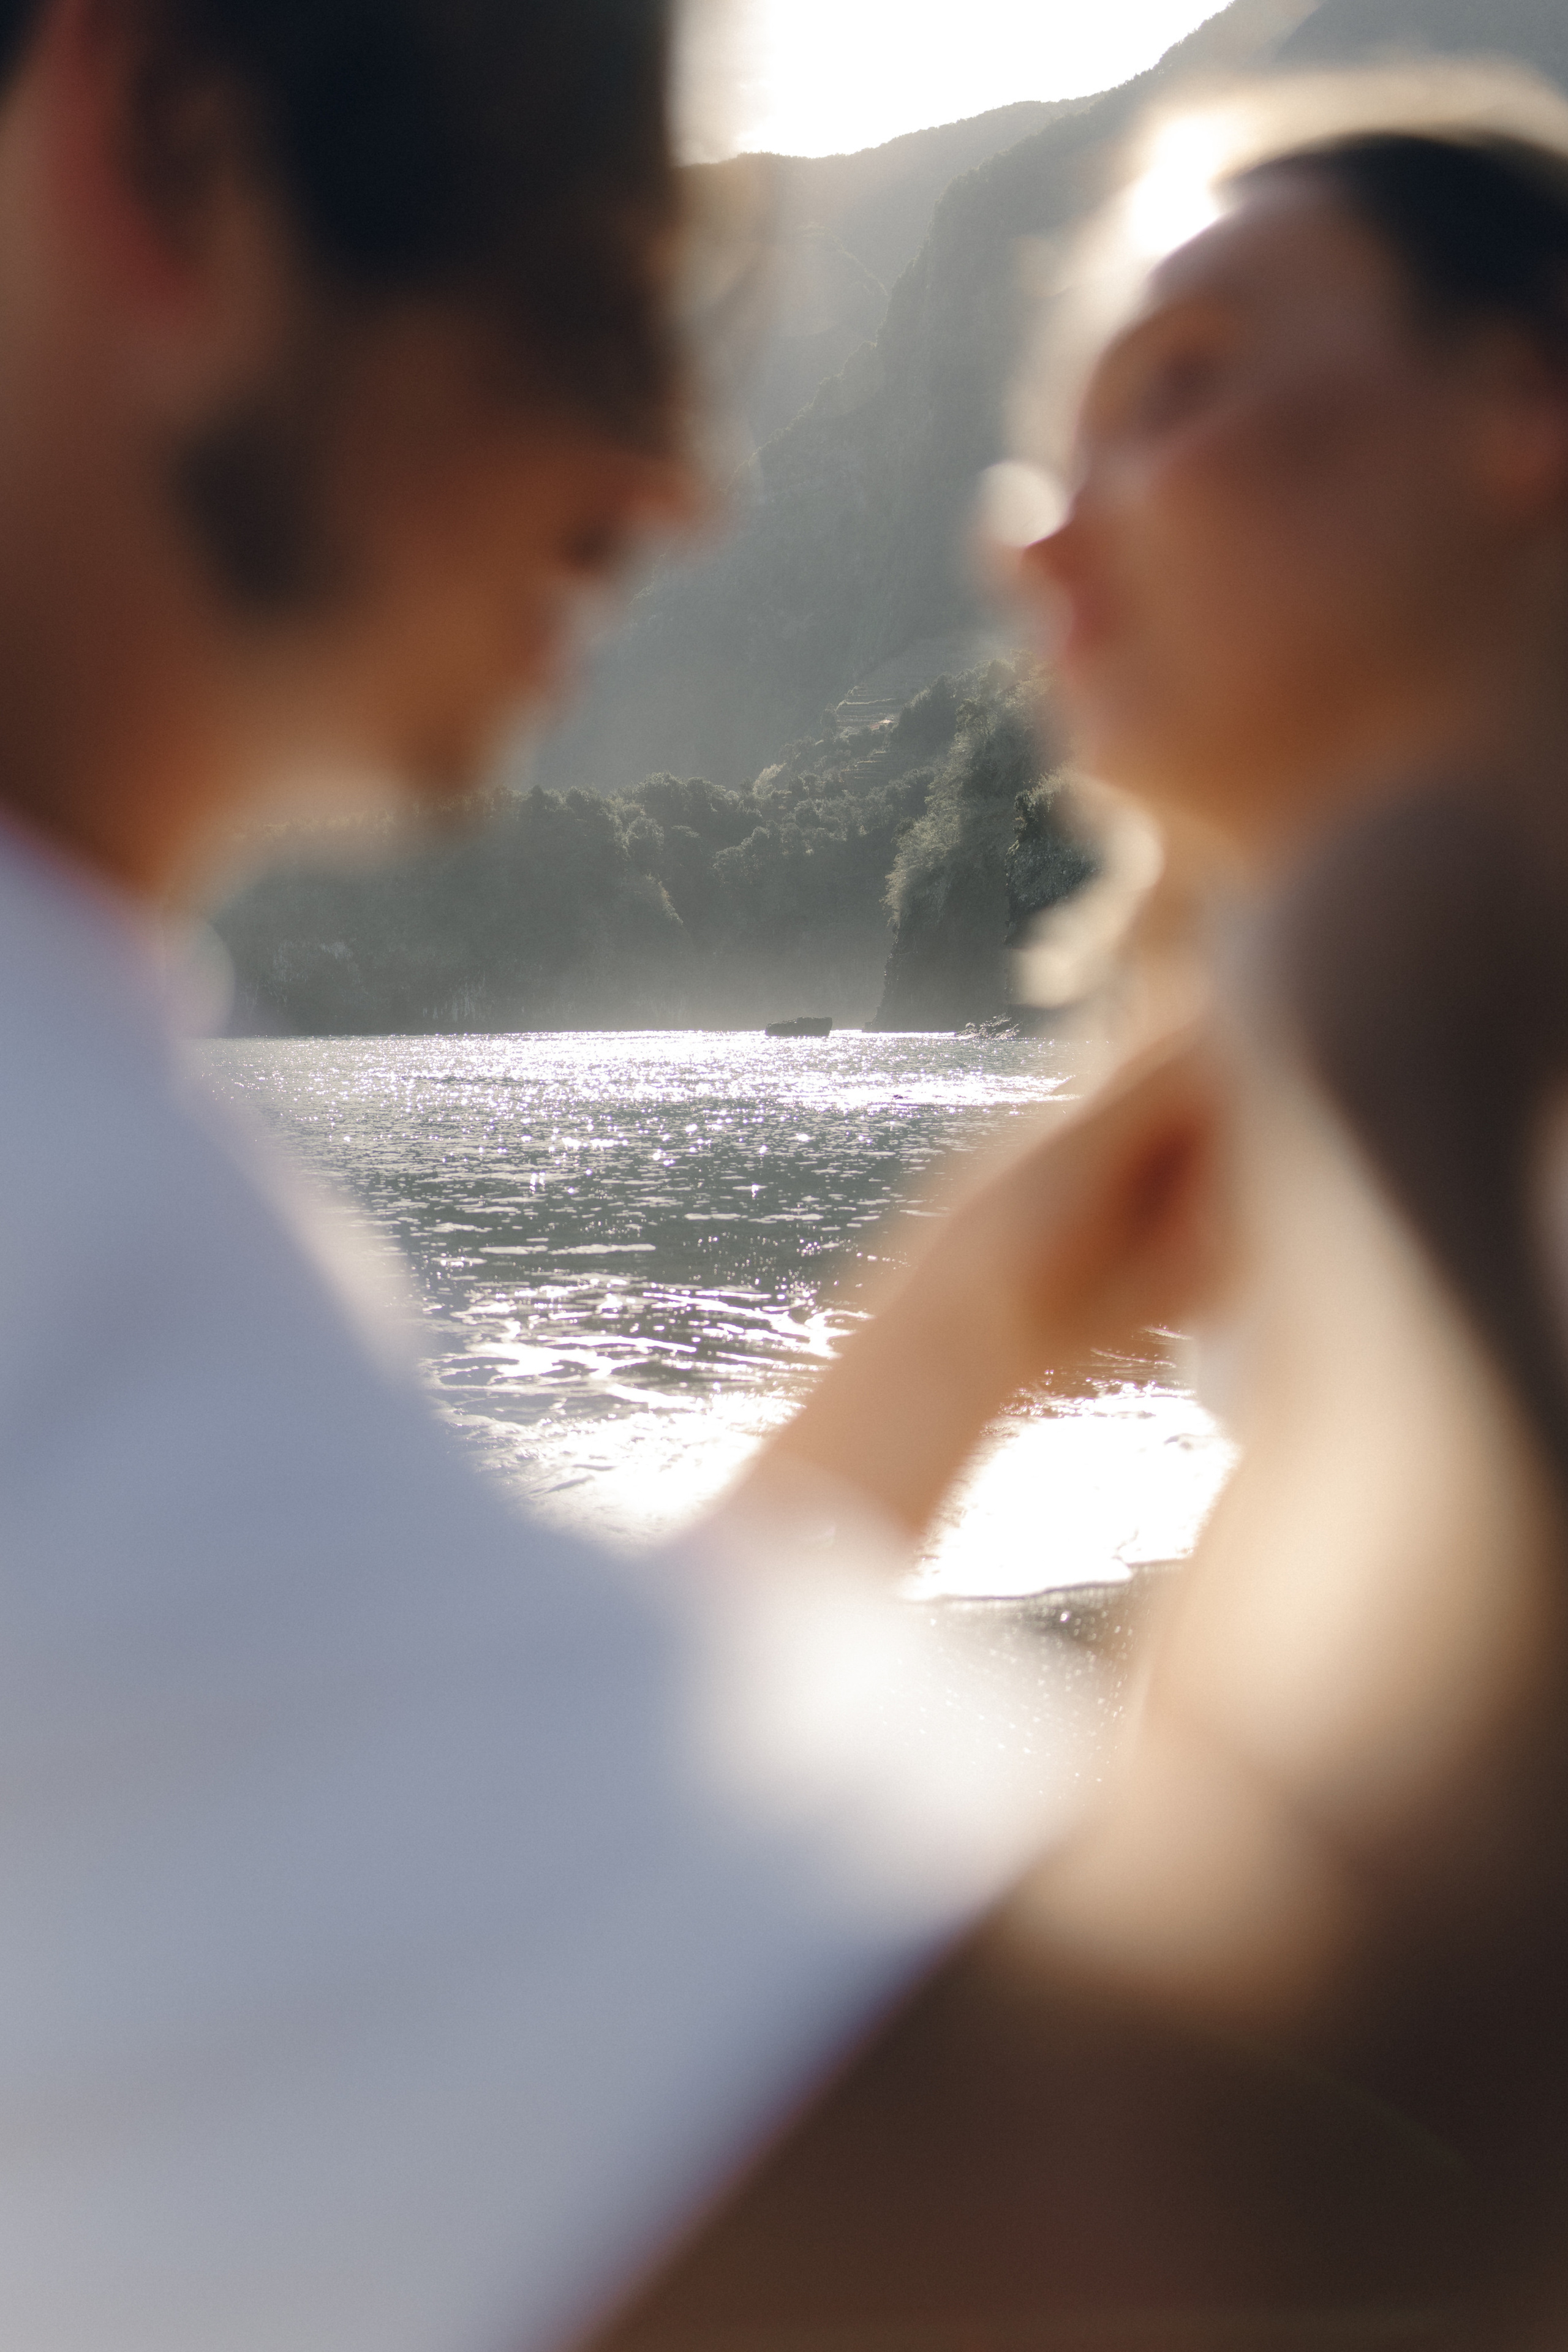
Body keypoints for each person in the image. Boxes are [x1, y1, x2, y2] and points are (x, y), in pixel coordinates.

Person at [0, 4, 1183, 2347]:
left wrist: (974, 1320)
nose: (677, 481)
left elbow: (428, 1917)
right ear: (181, 164)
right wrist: (1425, 941)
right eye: (601, 300)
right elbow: (1205, 2180)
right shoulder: (71, 1240)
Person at [605, 66, 1568, 2348]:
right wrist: (970, 1317)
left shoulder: (1422, 1022)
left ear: (1525, 409)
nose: (1033, 537)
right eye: (1054, 442)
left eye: (1188, 386)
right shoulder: (1313, 1130)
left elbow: (1338, 2149)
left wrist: (1353, 999)